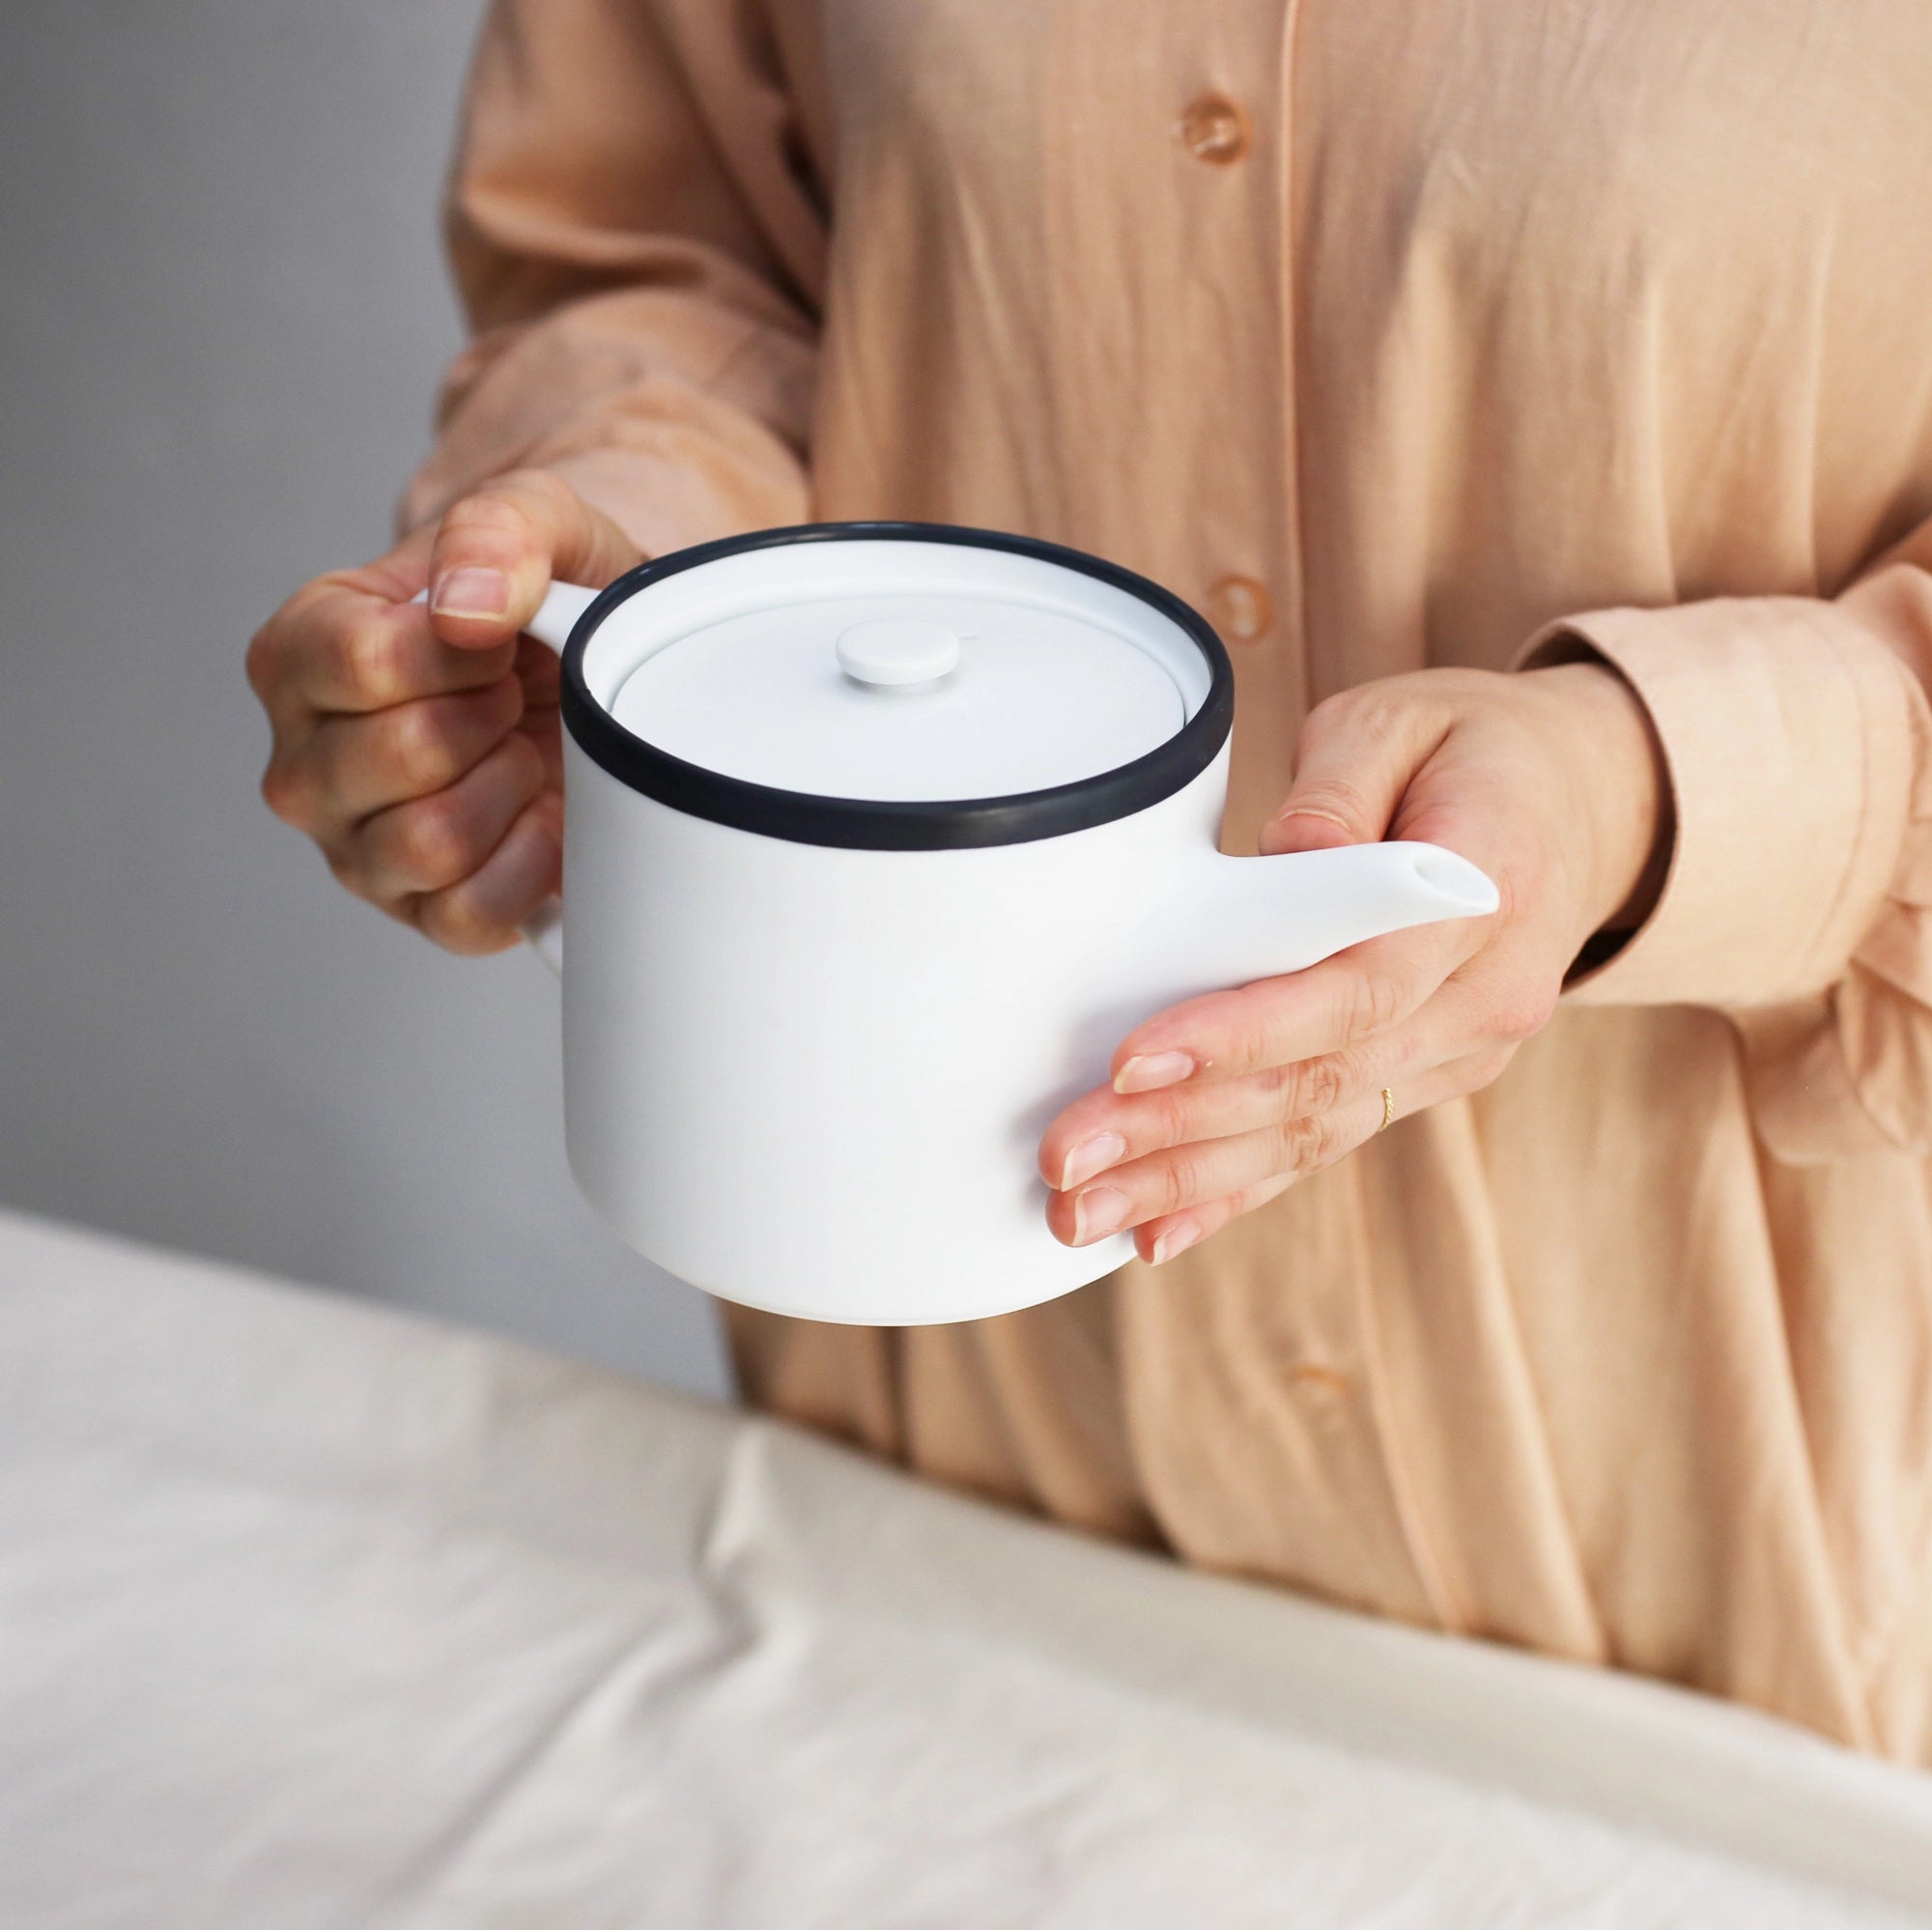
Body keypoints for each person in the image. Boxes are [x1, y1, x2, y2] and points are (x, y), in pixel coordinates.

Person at [245, 0, 1932, 1761]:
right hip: (940, 1496)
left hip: (1762, 1578)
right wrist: (646, 596)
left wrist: (1655, 785)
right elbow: (666, 248)